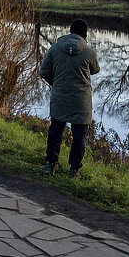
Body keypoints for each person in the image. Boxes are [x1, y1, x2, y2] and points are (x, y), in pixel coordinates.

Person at [40, 19, 100, 179]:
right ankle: (74, 170)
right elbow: (95, 70)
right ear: (85, 34)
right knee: (79, 136)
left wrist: (57, 84)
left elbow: (43, 71)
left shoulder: (55, 48)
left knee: (55, 131)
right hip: (81, 101)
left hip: (60, 98)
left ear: (70, 30)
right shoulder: (89, 52)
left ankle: (50, 164)